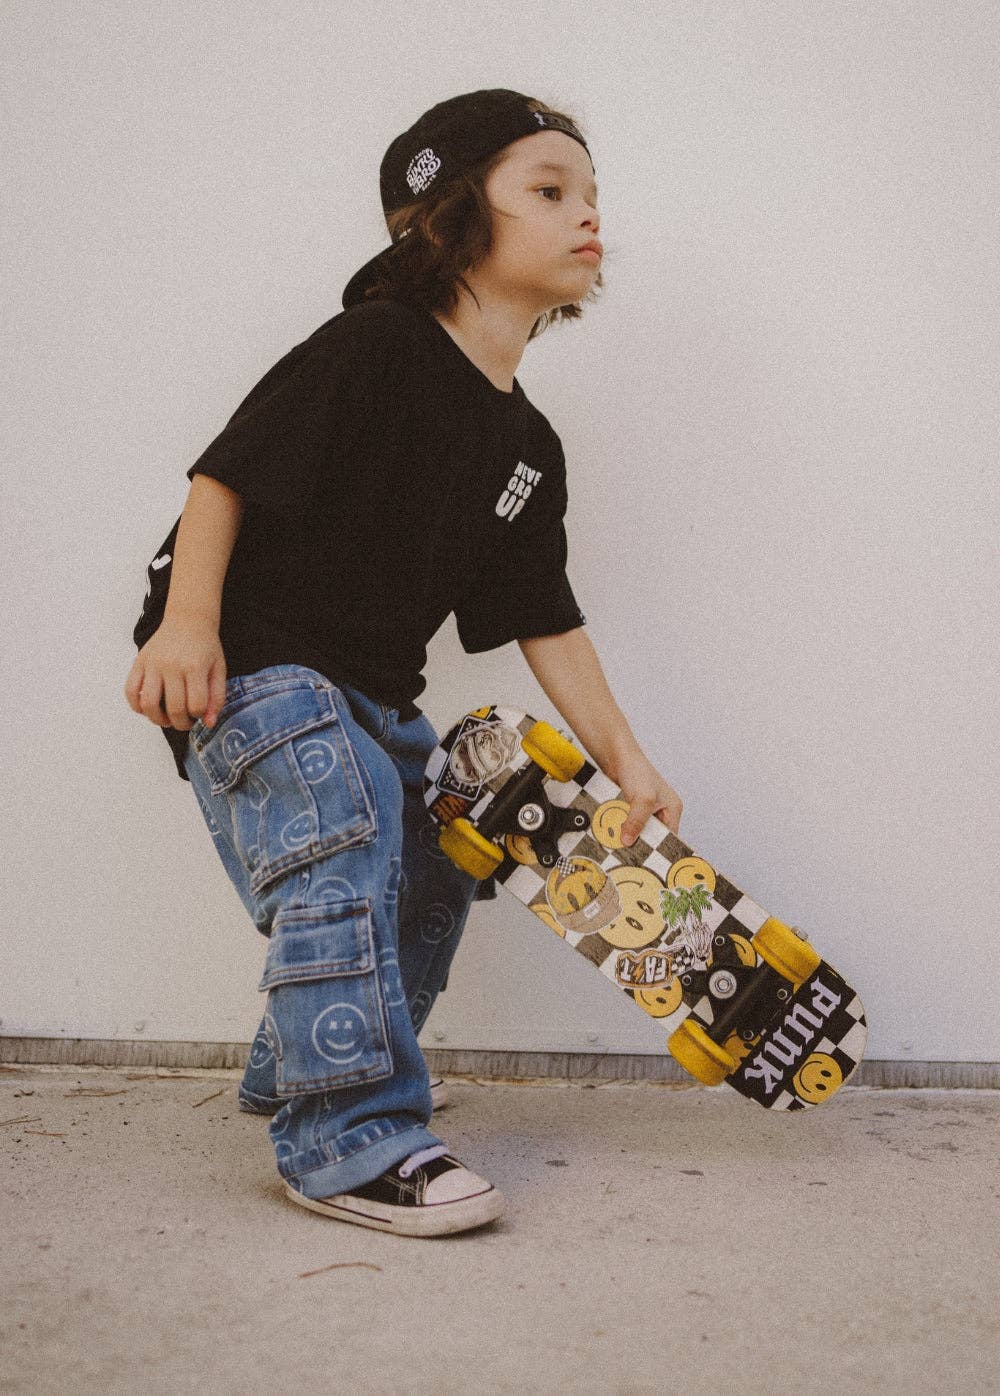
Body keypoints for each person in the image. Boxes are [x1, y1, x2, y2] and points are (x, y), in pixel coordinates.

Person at [125, 88, 683, 1238]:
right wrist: (187, 624)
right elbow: (226, 474)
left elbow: (542, 613)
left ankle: (303, 1062)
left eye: (592, 195)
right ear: (448, 218)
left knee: (439, 857)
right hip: (251, 664)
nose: (588, 215)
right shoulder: (374, 347)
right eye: (548, 190)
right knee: (345, 826)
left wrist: (627, 761)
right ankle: (348, 1134)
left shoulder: (526, 445)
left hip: (371, 694)